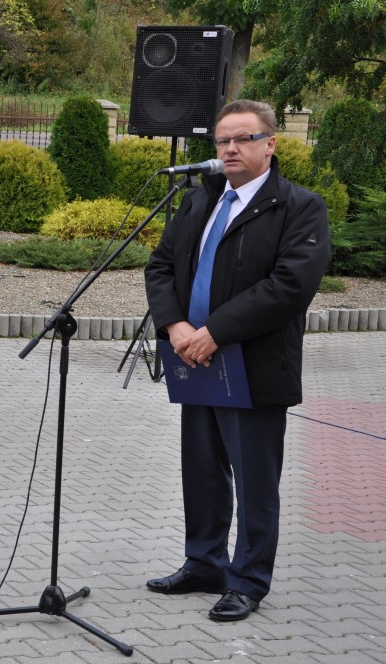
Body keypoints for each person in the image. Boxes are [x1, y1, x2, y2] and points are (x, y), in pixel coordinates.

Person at [144, 99, 331, 621]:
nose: (229, 148)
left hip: (253, 365)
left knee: (254, 480)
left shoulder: (299, 207)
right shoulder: (199, 200)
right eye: (222, 140)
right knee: (201, 470)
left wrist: (216, 331)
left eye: (242, 139)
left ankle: (247, 580)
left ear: (270, 143)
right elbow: (160, 265)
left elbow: (290, 286)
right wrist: (176, 325)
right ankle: (204, 562)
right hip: (194, 360)